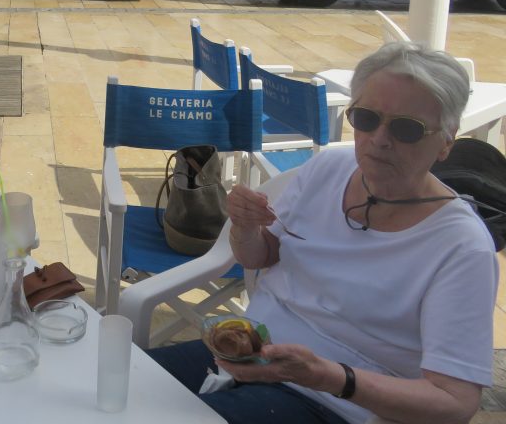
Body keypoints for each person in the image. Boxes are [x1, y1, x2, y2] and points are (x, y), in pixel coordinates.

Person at [149, 42, 496, 424]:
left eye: (406, 128)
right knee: (118, 384)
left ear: (447, 140)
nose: (380, 138)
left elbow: (455, 402)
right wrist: (245, 229)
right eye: (366, 118)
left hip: (336, 404)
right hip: (249, 352)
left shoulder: (461, 247)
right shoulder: (330, 167)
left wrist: (332, 378)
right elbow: (261, 256)